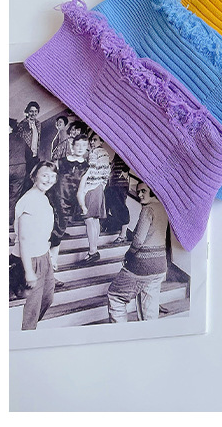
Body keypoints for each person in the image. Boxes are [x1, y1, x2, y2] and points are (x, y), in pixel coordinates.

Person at [107, 183, 169, 323]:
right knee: (150, 305)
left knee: (115, 295)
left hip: (142, 265)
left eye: (143, 191)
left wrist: (128, 255)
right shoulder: (164, 208)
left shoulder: (148, 209)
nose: (139, 194)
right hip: (160, 265)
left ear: (153, 190)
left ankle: (119, 333)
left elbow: (138, 240)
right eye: (138, 191)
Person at [12, 161, 58, 330]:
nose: (49, 179)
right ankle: (26, 336)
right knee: (31, 310)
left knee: (48, 298)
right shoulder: (29, 200)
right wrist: (29, 271)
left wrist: (49, 255)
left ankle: (28, 332)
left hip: (43, 255)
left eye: (53, 176)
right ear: (34, 176)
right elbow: (23, 239)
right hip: (30, 258)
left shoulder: (43, 198)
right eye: (45, 175)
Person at [47, 134, 89, 271]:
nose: (80, 148)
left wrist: (83, 206)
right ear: (72, 146)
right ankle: (48, 261)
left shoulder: (86, 167)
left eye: (84, 145)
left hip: (68, 204)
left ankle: (52, 260)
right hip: (53, 199)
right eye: (78, 145)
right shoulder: (60, 162)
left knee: (59, 231)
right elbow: (49, 179)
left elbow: (80, 190)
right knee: (50, 230)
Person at [77, 132, 111, 265]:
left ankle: (93, 252)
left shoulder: (94, 152)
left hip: (92, 187)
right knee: (95, 220)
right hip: (99, 188)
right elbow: (106, 173)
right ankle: (94, 249)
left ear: (101, 141)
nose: (92, 142)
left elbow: (90, 172)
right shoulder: (105, 153)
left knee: (89, 219)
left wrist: (85, 189)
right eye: (91, 140)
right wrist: (101, 185)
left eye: (95, 140)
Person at [103, 152, 132, 243]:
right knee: (111, 207)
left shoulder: (125, 151)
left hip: (119, 184)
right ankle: (112, 228)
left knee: (121, 208)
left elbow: (130, 158)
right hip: (112, 184)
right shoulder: (117, 154)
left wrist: (125, 171)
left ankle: (123, 235)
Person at [16, 101, 42, 191]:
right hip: (24, 157)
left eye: (35, 111)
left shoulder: (38, 124)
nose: (33, 113)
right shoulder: (22, 124)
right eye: (31, 111)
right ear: (27, 112)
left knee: (32, 179)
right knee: (24, 180)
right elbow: (19, 141)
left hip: (35, 156)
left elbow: (37, 140)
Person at [9, 118, 27, 226]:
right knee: (14, 196)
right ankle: (9, 221)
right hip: (20, 169)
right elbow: (29, 155)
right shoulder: (21, 140)